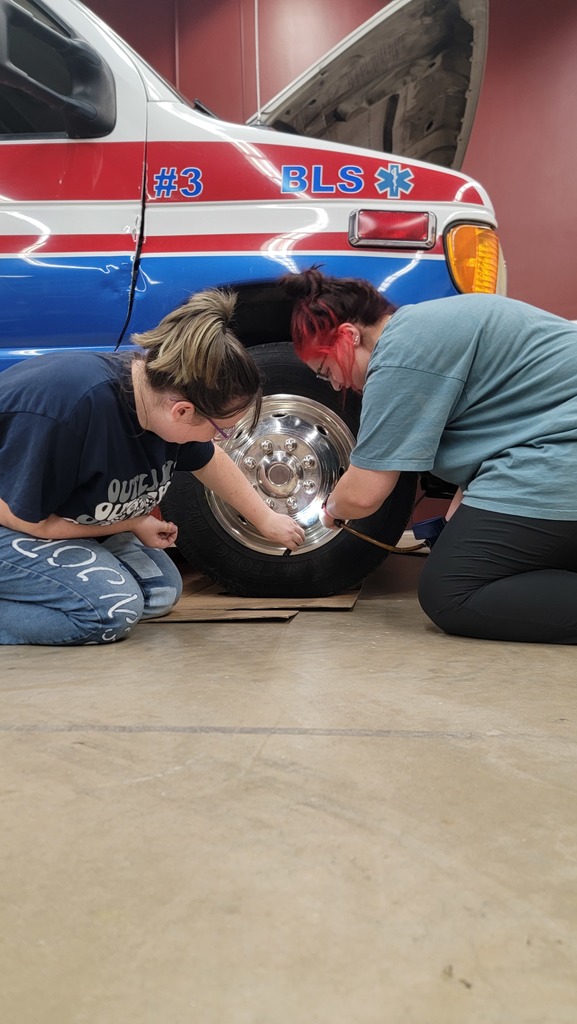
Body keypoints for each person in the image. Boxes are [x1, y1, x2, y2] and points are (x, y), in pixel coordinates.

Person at [281, 266, 577, 644]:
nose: (336, 383)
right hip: (555, 446)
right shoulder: (429, 326)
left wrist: (331, 509)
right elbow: (508, 418)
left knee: (451, 591)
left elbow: (364, 493)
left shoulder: (399, 354)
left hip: (562, 455)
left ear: (349, 336)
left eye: (326, 371)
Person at [0, 288, 305, 645]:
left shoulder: (160, 401)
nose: (221, 439)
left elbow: (210, 460)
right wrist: (132, 523)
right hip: (16, 521)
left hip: (54, 520)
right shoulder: (73, 409)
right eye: (221, 429)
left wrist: (265, 519)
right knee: (112, 611)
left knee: (161, 590)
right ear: (182, 411)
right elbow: (26, 519)